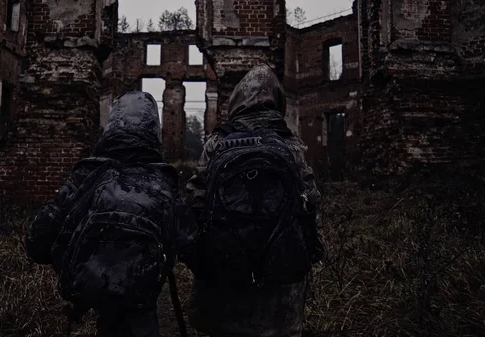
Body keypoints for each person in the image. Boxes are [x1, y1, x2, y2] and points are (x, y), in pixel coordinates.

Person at [180, 64, 323, 337]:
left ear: (237, 100)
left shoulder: (217, 143)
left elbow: (194, 204)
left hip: (223, 284)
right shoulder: (290, 144)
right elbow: (312, 207)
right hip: (279, 293)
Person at [25, 91, 182, 337]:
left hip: (90, 295)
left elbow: (37, 243)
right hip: (143, 306)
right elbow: (187, 243)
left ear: (111, 125)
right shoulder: (163, 182)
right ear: (154, 128)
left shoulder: (86, 175)